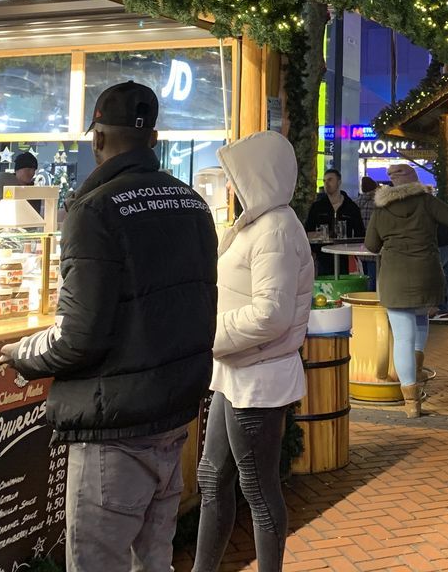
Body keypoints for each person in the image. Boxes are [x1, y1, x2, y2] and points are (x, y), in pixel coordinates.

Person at [1, 81, 218, 570]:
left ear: (97, 138)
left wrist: (24, 356)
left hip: (113, 429)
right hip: (175, 414)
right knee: (154, 561)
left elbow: (79, 336)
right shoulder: (193, 205)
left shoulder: (95, 209)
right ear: (155, 139)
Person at [192, 131, 313, 572]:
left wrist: (208, 333)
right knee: (212, 478)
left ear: (258, 176)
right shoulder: (260, 223)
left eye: (235, 176)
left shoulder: (276, 229)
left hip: (259, 378)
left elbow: (271, 314)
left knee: (258, 491)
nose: (229, 185)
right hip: (235, 373)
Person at [363, 162, 448, 417]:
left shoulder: (382, 206)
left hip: (394, 277)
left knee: (402, 337)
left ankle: (411, 402)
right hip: (426, 273)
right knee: (421, 319)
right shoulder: (426, 201)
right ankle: (418, 377)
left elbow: (371, 245)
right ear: (413, 181)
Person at [304, 168, 365, 241]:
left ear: (339, 182)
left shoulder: (351, 207)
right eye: (324, 181)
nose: (326, 183)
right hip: (322, 250)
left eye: (330, 180)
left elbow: (360, 234)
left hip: (344, 250)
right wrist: (325, 235)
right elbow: (307, 232)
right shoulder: (317, 207)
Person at [0, 150, 39, 218]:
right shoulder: (2, 183)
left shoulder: (33, 191)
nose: (32, 173)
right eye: (28, 170)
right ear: (17, 170)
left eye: (34, 170)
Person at [354, 175, 381, 291]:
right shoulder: (378, 204)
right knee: (374, 277)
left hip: (360, 246)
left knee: (365, 275)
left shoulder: (356, 203)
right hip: (374, 245)